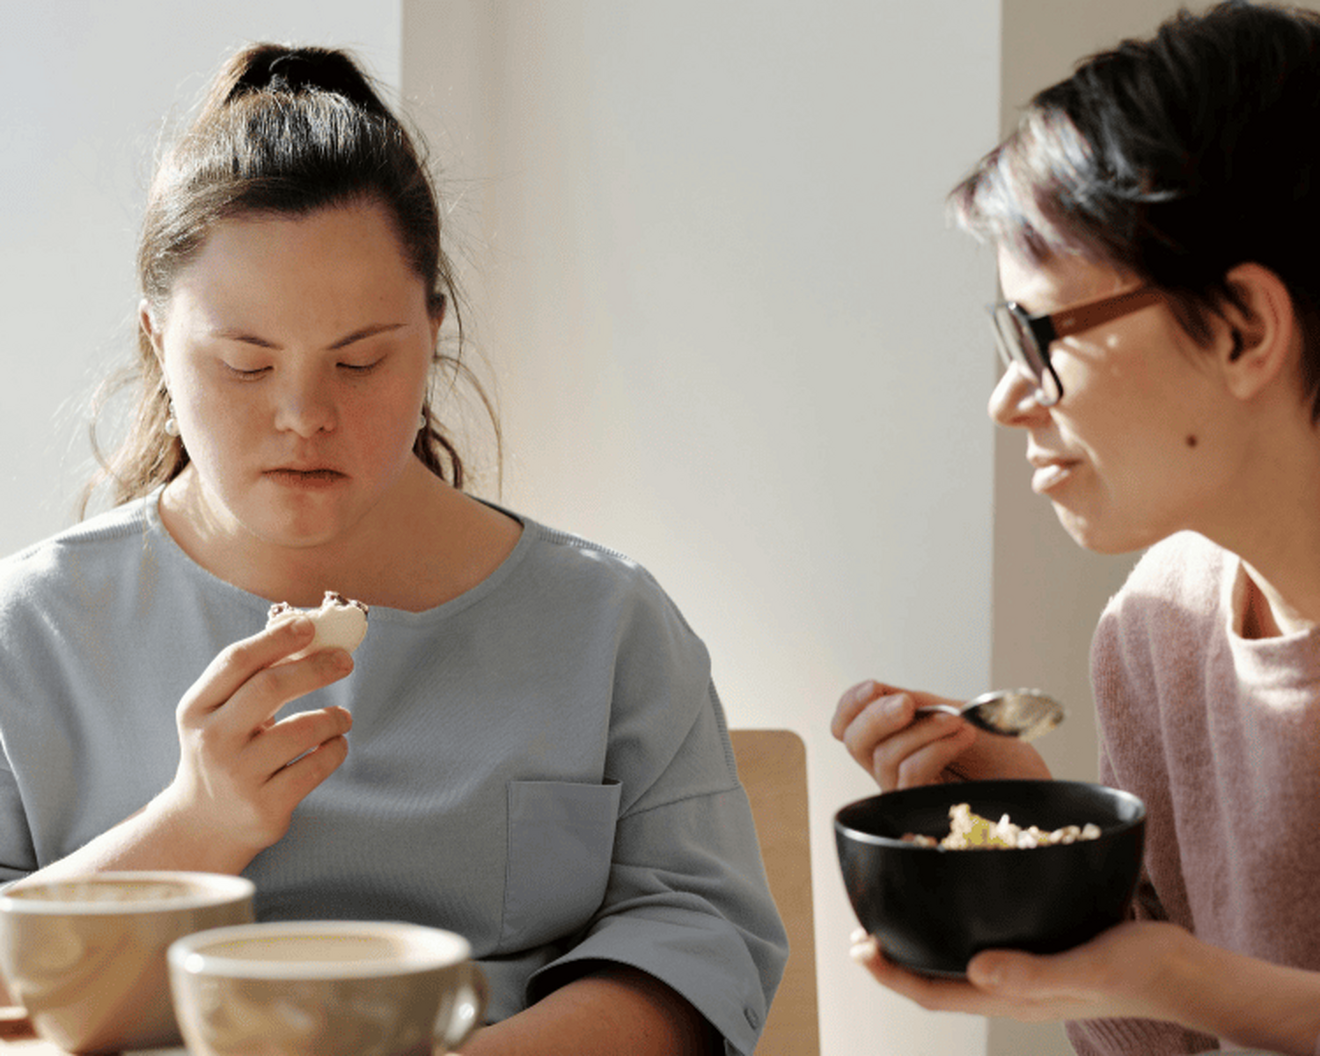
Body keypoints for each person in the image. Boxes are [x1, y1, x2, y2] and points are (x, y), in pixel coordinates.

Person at [0, 44, 786, 1055]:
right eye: (245, 363)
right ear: (157, 342)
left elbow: (701, 935)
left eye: (361, 360)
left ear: (433, 331)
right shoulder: (34, 630)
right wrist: (199, 822)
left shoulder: (605, 624)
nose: (303, 415)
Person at [831, 2, 1320, 1054]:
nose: (1009, 399)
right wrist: (1050, 846)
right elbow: (1163, 1043)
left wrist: (1196, 979)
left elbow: (1196, 994)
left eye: (1040, 334)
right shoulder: (1161, 622)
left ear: (1243, 328)